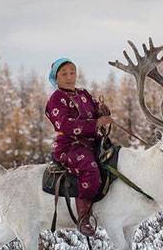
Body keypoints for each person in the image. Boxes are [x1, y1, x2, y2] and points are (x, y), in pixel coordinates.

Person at [45, 57, 114, 236]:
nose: (69, 77)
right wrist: (95, 123)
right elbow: (64, 124)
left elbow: (94, 111)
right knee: (90, 170)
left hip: (92, 143)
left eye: (72, 72)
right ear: (56, 78)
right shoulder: (56, 99)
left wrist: (102, 111)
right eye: (64, 74)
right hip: (69, 146)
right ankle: (83, 218)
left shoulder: (83, 94)